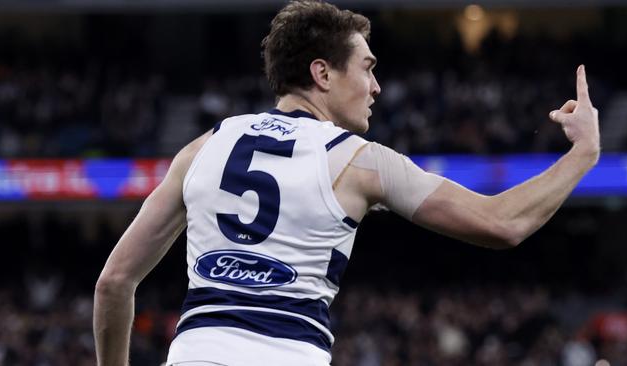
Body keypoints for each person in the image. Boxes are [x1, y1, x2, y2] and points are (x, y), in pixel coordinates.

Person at [93, 1, 600, 365]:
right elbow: (502, 223)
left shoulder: (202, 147)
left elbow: (114, 282)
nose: (377, 85)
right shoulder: (361, 161)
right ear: (323, 73)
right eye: (367, 67)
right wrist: (582, 155)